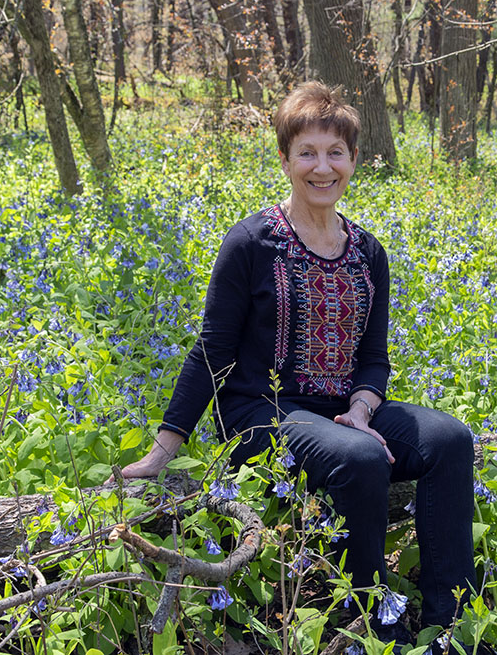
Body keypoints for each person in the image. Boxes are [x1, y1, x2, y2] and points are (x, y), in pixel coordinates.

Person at [113, 82, 477, 649]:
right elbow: (211, 349)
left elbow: (374, 359)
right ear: (284, 159)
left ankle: (446, 624)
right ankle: (369, 627)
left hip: (342, 413)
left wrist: (359, 410)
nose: (322, 167)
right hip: (261, 413)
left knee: (450, 438)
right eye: (307, 152)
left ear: (354, 159)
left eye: (335, 153)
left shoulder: (368, 252)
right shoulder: (252, 242)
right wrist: (164, 450)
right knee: (359, 459)